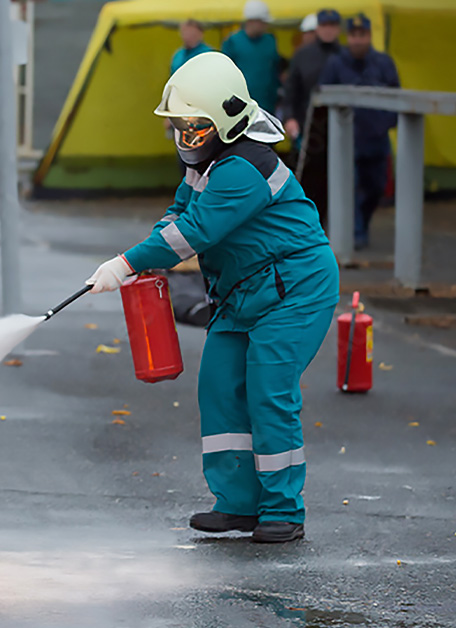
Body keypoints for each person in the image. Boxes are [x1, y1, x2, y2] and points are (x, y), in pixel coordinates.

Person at [85, 52, 338, 544]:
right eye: (180, 127)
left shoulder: (244, 166)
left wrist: (127, 262)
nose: (186, 138)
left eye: (195, 128)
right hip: (245, 291)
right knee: (220, 387)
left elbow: (195, 233)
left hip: (295, 291)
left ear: (224, 121)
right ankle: (239, 504)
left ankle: (284, 510)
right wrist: (150, 243)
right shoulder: (211, 159)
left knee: (269, 392)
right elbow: (180, 211)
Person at [320, 13, 400, 249]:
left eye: (362, 35)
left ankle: (362, 224)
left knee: (376, 187)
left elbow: (397, 95)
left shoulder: (383, 63)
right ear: (348, 37)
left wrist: (387, 123)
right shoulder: (336, 63)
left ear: (369, 36)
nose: (357, 40)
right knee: (349, 188)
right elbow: (323, 96)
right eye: (353, 35)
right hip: (348, 140)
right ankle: (354, 234)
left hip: (376, 138)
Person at [284, 9, 343, 222]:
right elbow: (291, 91)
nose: (328, 30)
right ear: (318, 27)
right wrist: (289, 118)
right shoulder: (302, 55)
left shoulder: (344, 56)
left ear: (337, 28)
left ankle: (332, 223)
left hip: (338, 129)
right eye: (324, 26)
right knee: (306, 178)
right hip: (307, 129)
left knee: (335, 177)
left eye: (332, 26)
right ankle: (303, 222)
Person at [167, 19, 213, 174]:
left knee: (203, 158)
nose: (186, 36)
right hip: (181, 117)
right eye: (184, 31)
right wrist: (168, 114)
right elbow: (171, 86)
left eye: (190, 32)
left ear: (200, 33)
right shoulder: (177, 56)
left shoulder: (208, 55)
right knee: (183, 158)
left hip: (202, 116)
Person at [221, 1, 282, 113]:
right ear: (251, 21)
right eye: (262, 22)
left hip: (267, 105)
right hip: (241, 107)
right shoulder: (233, 41)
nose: (265, 25)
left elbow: (275, 70)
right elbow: (224, 74)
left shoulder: (270, 41)